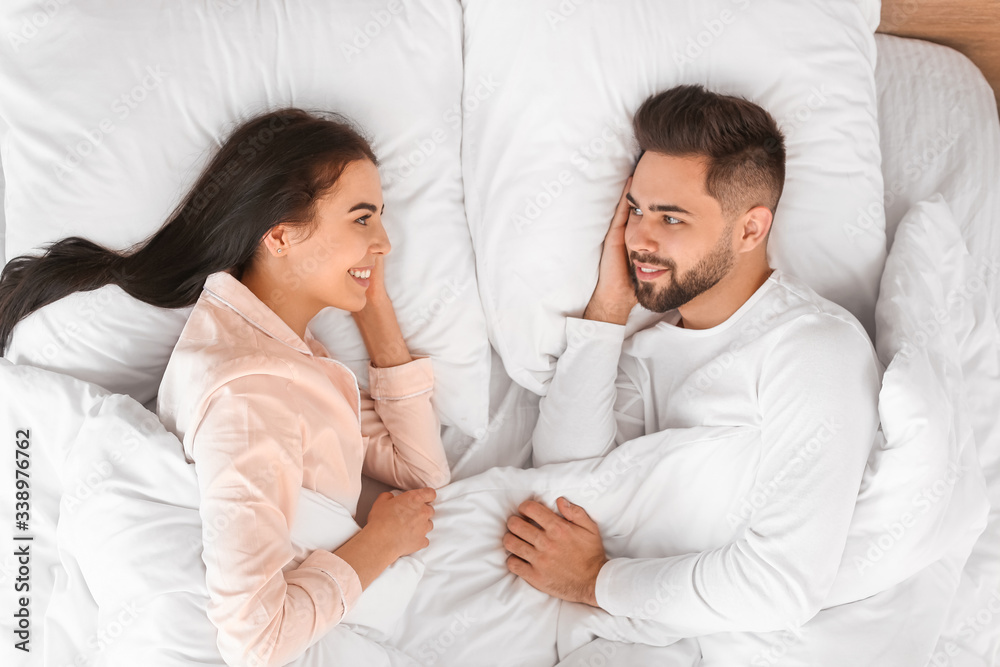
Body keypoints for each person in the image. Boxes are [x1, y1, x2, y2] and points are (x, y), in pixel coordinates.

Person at [0, 108, 451, 667]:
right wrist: (382, 543)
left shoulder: (285, 352)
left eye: (380, 218)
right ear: (281, 235)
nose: (384, 242)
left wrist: (375, 309)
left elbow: (421, 471)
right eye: (362, 220)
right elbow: (254, 642)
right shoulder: (251, 395)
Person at [502, 85, 881, 639]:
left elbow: (782, 584)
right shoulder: (648, 347)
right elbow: (566, 476)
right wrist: (608, 309)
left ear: (750, 228)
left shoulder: (811, 348)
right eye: (635, 210)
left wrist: (595, 581)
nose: (639, 238)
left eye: (671, 219)